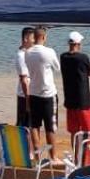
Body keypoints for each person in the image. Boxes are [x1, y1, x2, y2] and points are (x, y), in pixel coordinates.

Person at [23, 25, 60, 158]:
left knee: (35, 125)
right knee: (50, 126)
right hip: (48, 93)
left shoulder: (27, 52)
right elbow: (57, 67)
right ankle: (53, 156)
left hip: (33, 92)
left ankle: (38, 155)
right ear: (44, 37)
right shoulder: (49, 52)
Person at [60, 32, 90, 147]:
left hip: (70, 100)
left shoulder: (63, 57)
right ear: (78, 43)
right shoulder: (83, 57)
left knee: (74, 132)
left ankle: (76, 157)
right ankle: (86, 156)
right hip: (84, 100)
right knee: (87, 131)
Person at [14, 26, 35, 129]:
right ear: (26, 39)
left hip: (28, 94)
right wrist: (28, 100)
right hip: (24, 96)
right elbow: (24, 80)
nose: (35, 41)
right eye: (33, 38)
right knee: (24, 125)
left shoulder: (27, 54)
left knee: (29, 124)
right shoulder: (21, 56)